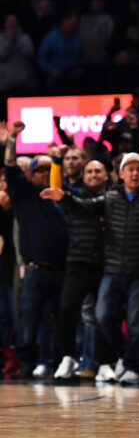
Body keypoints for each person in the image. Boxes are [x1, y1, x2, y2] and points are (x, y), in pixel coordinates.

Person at [41, 153, 139, 384]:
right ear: (121, 174)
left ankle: (132, 367)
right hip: (112, 270)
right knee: (102, 316)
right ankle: (127, 356)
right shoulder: (111, 198)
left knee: (136, 324)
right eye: (130, 169)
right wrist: (64, 198)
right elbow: (85, 207)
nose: (134, 173)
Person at [4, 122, 68, 379]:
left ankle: (56, 362)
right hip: (34, 270)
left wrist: (59, 160)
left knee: (59, 322)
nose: (44, 174)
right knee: (28, 321)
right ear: (30, 175)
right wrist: (12, 139)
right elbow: (10, 167)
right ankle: (28, 364)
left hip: (61, 271)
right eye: (39, 170)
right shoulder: (25, 196)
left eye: (48, 169)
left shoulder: (63, 197)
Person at [53, 158, 110, 379]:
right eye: (89, 172)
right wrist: (57, 161)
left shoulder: (115, 198)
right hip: (77, 261)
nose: (94, 174)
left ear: (107, 175)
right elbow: (57, 188)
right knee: (66, 311)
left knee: (104, 316)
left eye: (98, 170)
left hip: (106, 265)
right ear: (83, 176)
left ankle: (105, 362)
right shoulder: (74, 196)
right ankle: (68, 358)